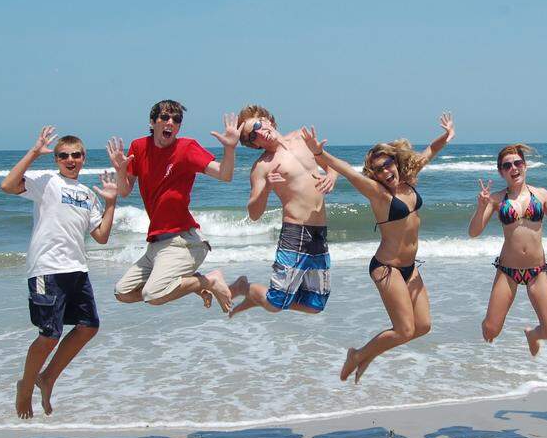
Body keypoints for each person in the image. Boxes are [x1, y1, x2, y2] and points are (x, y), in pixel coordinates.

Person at [302, 113, 454, 383]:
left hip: (409, 268)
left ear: (395, 162)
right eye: (378, 169)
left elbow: (431, 151)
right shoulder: (377, 192)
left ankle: (368, 354)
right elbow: (346, 170)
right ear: (373, 174)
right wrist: (320, 154)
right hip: (386, 267)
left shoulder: (408, 179)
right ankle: (358, 355)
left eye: (387, 164)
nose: (385, 171)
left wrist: (446, 135)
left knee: (423, 326)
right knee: (405, 330)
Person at [0, 127, 117, 419]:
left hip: (77, 269)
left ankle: (47, 377)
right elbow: (8, 185)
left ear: (84, 158)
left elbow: (101, 236)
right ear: (56, 159)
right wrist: (33, 152)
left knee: (89, 326)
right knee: (49, 336)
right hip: (47, 269)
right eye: (64, 156)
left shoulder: (88, 194)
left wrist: (112, 203)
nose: (70, 160)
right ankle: (26, 386)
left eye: (76, 155)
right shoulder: (47, 182)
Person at [107, 100, 239, 311]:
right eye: (165, 118)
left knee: (153, 294)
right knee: (122, 293)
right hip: (155, 245)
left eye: (176, 120)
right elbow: (123, 191)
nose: (171, 123)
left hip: (183, 242)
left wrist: (230, 148)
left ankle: (211, 280)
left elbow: (225, 174)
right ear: (152, 122)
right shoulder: (138, 147)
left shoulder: (186, 148)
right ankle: (193, 283)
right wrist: (120, 169)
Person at [225, 105, 338, 316]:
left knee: (315, 305)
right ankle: (244, 287)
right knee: (276, 303)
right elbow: (254, 213)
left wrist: (331, 175)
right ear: (255, 145)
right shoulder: (263, 167)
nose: (258, 132)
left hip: (319, 233)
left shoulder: (302, 138)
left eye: (257, 125)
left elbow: (330, 164)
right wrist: (266, 188)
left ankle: (257, 298)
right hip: (294, 233)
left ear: (268, 120)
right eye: (252, 136)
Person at [468, 145, 547, 356]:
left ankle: (533, 335)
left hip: (537, 271)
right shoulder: (496, 199)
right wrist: (481, 207)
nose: (513, 168)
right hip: (508, 271)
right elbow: (474, 232)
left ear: (525, 166)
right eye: (507, 165)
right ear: (501, 172)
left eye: (517, 163)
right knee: (490, 331)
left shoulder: (541, 194)